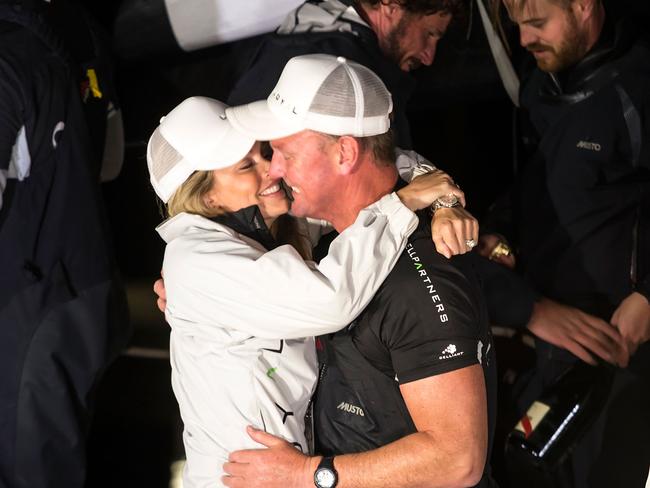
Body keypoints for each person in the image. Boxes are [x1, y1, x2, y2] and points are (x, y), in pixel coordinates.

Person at [147, 92, 467, 487]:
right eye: (247, 165)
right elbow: (331, 298)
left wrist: (443, 200)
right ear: (207, 195)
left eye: (265, 153)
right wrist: (402, 204)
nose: (273, 169)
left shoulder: (265, 232)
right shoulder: (196, 260)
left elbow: (376, 166)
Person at [222, 53, 497, 488]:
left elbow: (457, 458)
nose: (273, 171)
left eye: (285, 153)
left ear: (345, 153)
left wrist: (306, 475)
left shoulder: (417, 279)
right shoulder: (337, 240)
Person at [479, 0, 650, 485]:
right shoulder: (540, 87)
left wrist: (648, 296)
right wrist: (498, 231)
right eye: (517, 28)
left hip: (620, 346)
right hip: (547, 336)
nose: (525, 40)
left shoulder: (636, 86)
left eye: (537, 23)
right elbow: (532, 187)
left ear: (583, 6)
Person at [0, 1, 130, 487]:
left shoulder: (6, 58)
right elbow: (111, 160)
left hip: (27, 308)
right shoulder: (85, 35)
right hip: (86, 287)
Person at [228, 0, 463, 150]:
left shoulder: (299, 37)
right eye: (430, 34)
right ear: (391, 6)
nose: (429, 56)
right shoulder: (347, 74)